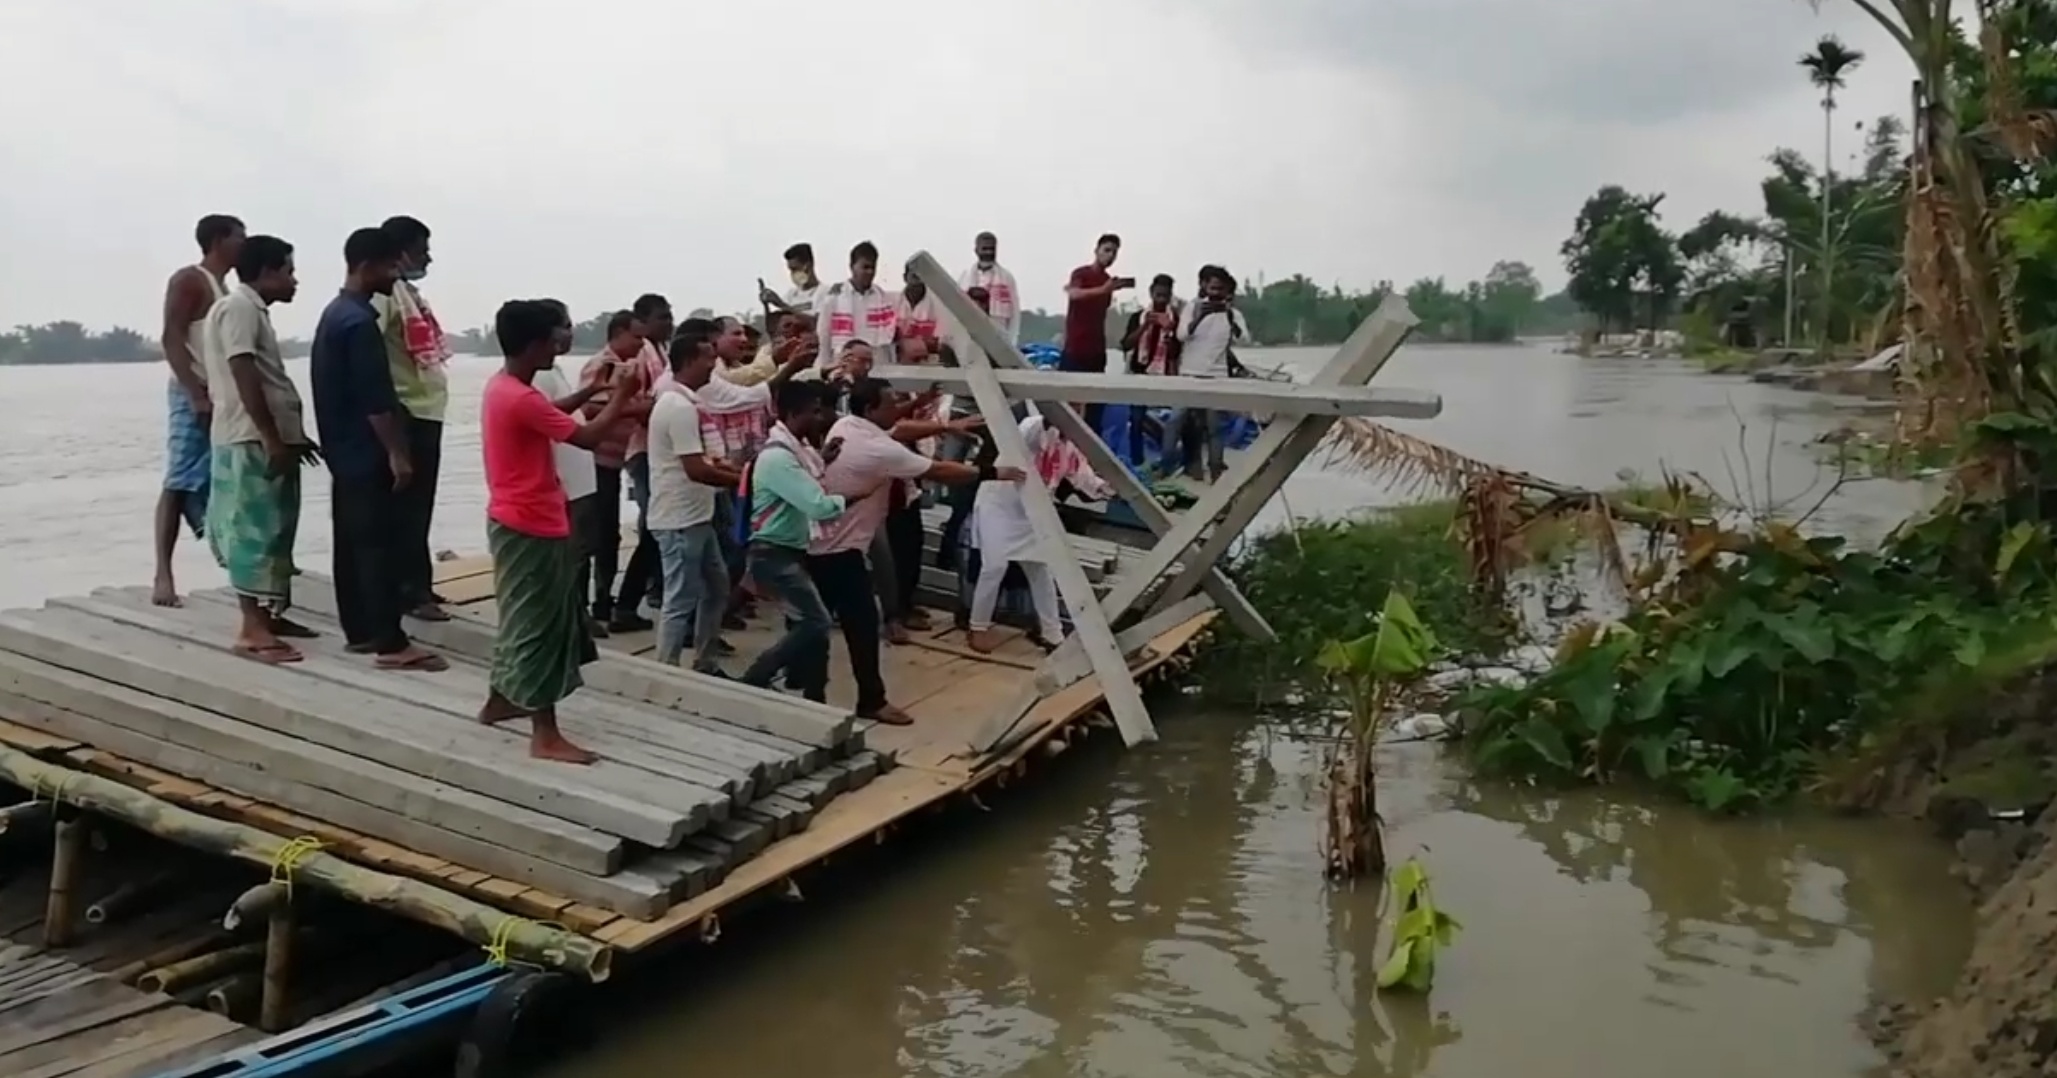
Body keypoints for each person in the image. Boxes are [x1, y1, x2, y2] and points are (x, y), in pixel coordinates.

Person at [477, 298, 640, 764]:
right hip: (531, 522)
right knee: (540, 626)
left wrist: (593, 392)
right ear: (535, 344)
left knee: (519, 615)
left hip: (512, 516)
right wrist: (623, 397)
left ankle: (499, 700)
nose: (564, 341)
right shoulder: (521, 397)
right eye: (557, 335)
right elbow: (585, 437)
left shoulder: (504, 386)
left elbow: (551, 412)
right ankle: (544, 734)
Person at [813, 377, 1010, 724]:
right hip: (838, 549)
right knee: (850, 623)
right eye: (890, 404)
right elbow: (938, 469)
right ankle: (860, 698)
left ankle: (813, 689)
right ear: (872, 409)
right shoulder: (878, 449)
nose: (898, 409)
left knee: (816, 623)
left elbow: (900, 429)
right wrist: (993, 472)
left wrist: (947, 424)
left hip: (829, 543)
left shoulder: (849, 425)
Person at [310, 227, 447, 672]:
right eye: (391, 266)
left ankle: (360, 631)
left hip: (343, 449)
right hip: (367, 450)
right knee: (379, 544)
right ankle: (391, 641)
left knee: (351, 541)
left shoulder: (333, 316)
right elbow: (376, 400)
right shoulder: (359, 323)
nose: (396, 274)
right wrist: (398, 453)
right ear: (367, 266)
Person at [203, 234, 318, 663]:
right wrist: (270, 436)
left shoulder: (252, 311)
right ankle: (252, 629)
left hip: (266, 436)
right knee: (255, 532)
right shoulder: (238, 308)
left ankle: (269, 614)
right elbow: (243, 368)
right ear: (267, 272)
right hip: (250, 438)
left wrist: (293, 436)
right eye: (288, 271)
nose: (294, 280)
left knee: (277, 528)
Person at [153, 214, 245, 607]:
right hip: (193, 393)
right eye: (240, 238)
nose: (245, 245)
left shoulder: (226, 288)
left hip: (220, 395)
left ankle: (233, 566)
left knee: (215, 479)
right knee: (177, 480)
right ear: (220, 239)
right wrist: (195, 393)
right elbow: (171, 337)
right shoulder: (190, 279)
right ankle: (163, 574)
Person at [737, 381, 848, 703]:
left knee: (810, 626)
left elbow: (803, 483)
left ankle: (814, 693)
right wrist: (846, 500)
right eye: (814, 412)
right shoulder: (779, 459)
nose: (821, 418)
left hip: (789, 551)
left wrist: (822, 460)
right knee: (816, 622)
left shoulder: (795, 452)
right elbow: (816, 504)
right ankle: (758, 675)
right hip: (774, 554)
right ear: (792, 413)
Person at [368, 215, 454, 623]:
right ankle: (409, 592)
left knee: (421, 507)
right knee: (409, 509)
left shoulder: (408, 293)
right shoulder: (385, 297)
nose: (429, 259)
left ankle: (420, 584)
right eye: (423, 251)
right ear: (401, 252)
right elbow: (372, 351)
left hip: (426, 411)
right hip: (408, 413)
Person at [968, 413, 1114, 653]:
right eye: (1071, 408)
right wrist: (1052, 414)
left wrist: (1109, 487)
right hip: (1000, 505)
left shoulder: (1070, 447)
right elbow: (1037, 429)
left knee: (1040, 569)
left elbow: (1085, 478)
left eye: (1081, 408)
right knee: (994, 566)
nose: (1076, 413)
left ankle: (1052, 632)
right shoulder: (1032, 427)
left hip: (1033, 511)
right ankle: (978, 626)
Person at [647, 323, 739, 672]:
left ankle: (705, 660)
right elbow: (696, 469)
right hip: (678, 519)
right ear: (687, 362)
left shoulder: (691, 401)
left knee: (717, 588)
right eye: (708, 359)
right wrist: (744, 480)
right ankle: (665, 670)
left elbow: (705, 460)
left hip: (698, 516)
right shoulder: (678, 406)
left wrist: (732, 472)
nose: (713, 366)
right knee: (680, 598)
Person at [533, 302, 611, 638]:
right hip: (565, 479)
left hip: (580, 478)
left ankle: (578, 614)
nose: (571, 331)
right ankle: (570, 619)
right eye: (565, 325)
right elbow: (547, 418)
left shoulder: (553, 370)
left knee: (582, 551)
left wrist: (593, 391)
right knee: (571, 555)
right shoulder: (537, 374)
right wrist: (618, 398)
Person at [599, 293, 672, 632]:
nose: (667, 322)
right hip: (642, 450)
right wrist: (646, 410)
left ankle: (633, 598)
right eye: (661, 317)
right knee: (654, 526)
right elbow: (606, 405)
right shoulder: (638, 357)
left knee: (656, 527)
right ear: (641, 321)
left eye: (669, 316)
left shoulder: (662, 353)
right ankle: (626, 601)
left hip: (657, 449)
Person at [576, 311, 645, 629]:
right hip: (595, 462)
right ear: (618, 333)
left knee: (608, 534)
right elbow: (588, 409)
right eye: (636, 336)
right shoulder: (601, 365)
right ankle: (589, 606)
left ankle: (602, 601)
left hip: (613, 461)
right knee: (596, 536)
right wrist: (634, 407)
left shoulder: (627, 366)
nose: (641, 343)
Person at [1163, 264, 1248, 481]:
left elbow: (1245, 339)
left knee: (1214, 428)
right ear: (1203, 286)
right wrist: (1199, 317)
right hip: (1189, 375)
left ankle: (1216, 470)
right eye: (1213, 288)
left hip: (1217, 377)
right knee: (1175, 420)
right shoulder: (1192, 308)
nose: (1216, 293)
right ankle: (1166, 465)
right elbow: (1181, 336)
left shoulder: (1233, 314)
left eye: (1220, 289)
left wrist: (1229, 316)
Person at [1060, 233, 1133, 432]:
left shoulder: (1107, 281)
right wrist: (1102, 290)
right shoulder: (1082, 274)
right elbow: (1074, 294)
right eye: (1107, 250)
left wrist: (1107, 289)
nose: (1110, 256)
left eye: (1114, 253)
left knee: (1094, 410)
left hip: (1096, 351)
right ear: (1097, 250)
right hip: (1075, 348)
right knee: (1065, 408)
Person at [1120, 274, 1186, 465]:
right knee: (1136, 420)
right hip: (1140, 374)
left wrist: (1170, 331)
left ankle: (1169, 459)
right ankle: (1137, 462)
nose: (1161, 300)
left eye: (1165, 296)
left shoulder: (1177, 320)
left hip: (1166, 376)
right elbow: (1125, 345)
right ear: (1151, 293)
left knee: (1178, 419)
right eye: (1158, 295)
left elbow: (1176, 353)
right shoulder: (1137, 317)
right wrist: (1145, 326)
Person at [815, 241, 896, 367]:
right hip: (843, 366)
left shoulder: (883, 299)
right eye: (865, 267)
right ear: (852, 266)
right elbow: (824, 338)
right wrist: (822, 369)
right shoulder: (834, 298)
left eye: (872, 268)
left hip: (876, 367)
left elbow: (888, 344)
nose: (869, 272)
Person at [955, 232, 1020, 346]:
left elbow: (1015, 313)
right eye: (984, 248)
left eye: (992, 249)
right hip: (970, 337)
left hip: (998, 336)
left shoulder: (1006, 278)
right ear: (976, 250)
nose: (988, 252)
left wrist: (1011, 341)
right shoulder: (965, 277)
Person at [759, 243, 823, 317]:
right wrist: (766, 306)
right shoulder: (790, 295)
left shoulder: (825, 293)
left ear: (808, 266)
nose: (792, 274)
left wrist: (781, 304)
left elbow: (816, 323)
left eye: (795, 269)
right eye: (790, 270)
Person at [894, 266, 943, 359]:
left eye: (921, 276)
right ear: (905, 277)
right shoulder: (892, 302)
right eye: (914, 276)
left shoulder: (938, 304)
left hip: (930, 365)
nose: (917, 282)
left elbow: (941, 343)